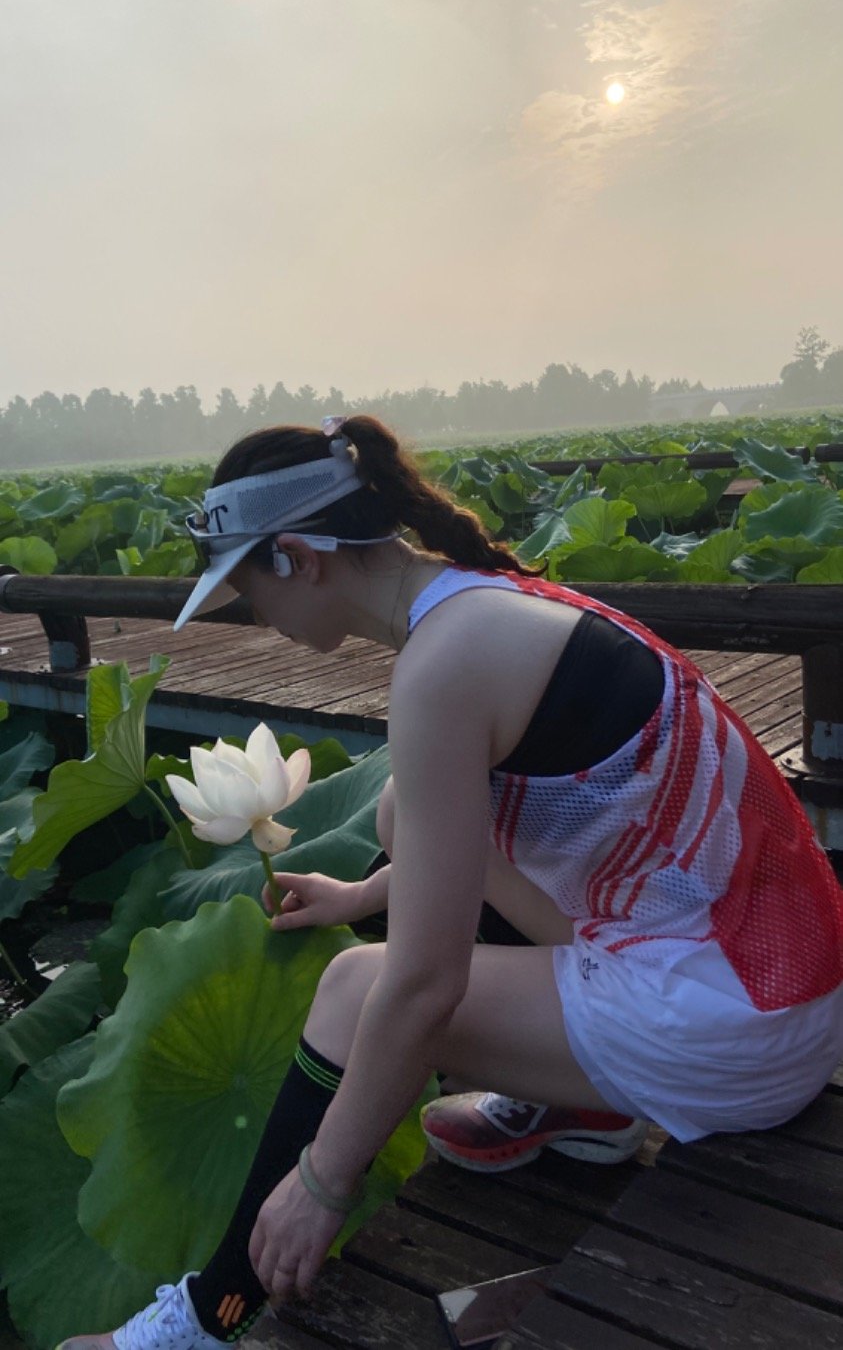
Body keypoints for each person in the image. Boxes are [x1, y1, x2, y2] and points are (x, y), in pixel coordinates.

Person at [58, 414, 843, 1350]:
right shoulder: (487, 600)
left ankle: (209, 1317)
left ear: (297, 558)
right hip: (785, 990)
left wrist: (321, 1181)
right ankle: (586, 1107)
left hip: (735, 1033)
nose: (253, 618)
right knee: (401, 811)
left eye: (245, 589)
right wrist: (362, 897)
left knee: (356, 989)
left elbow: (426, 985)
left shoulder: (442, 668)